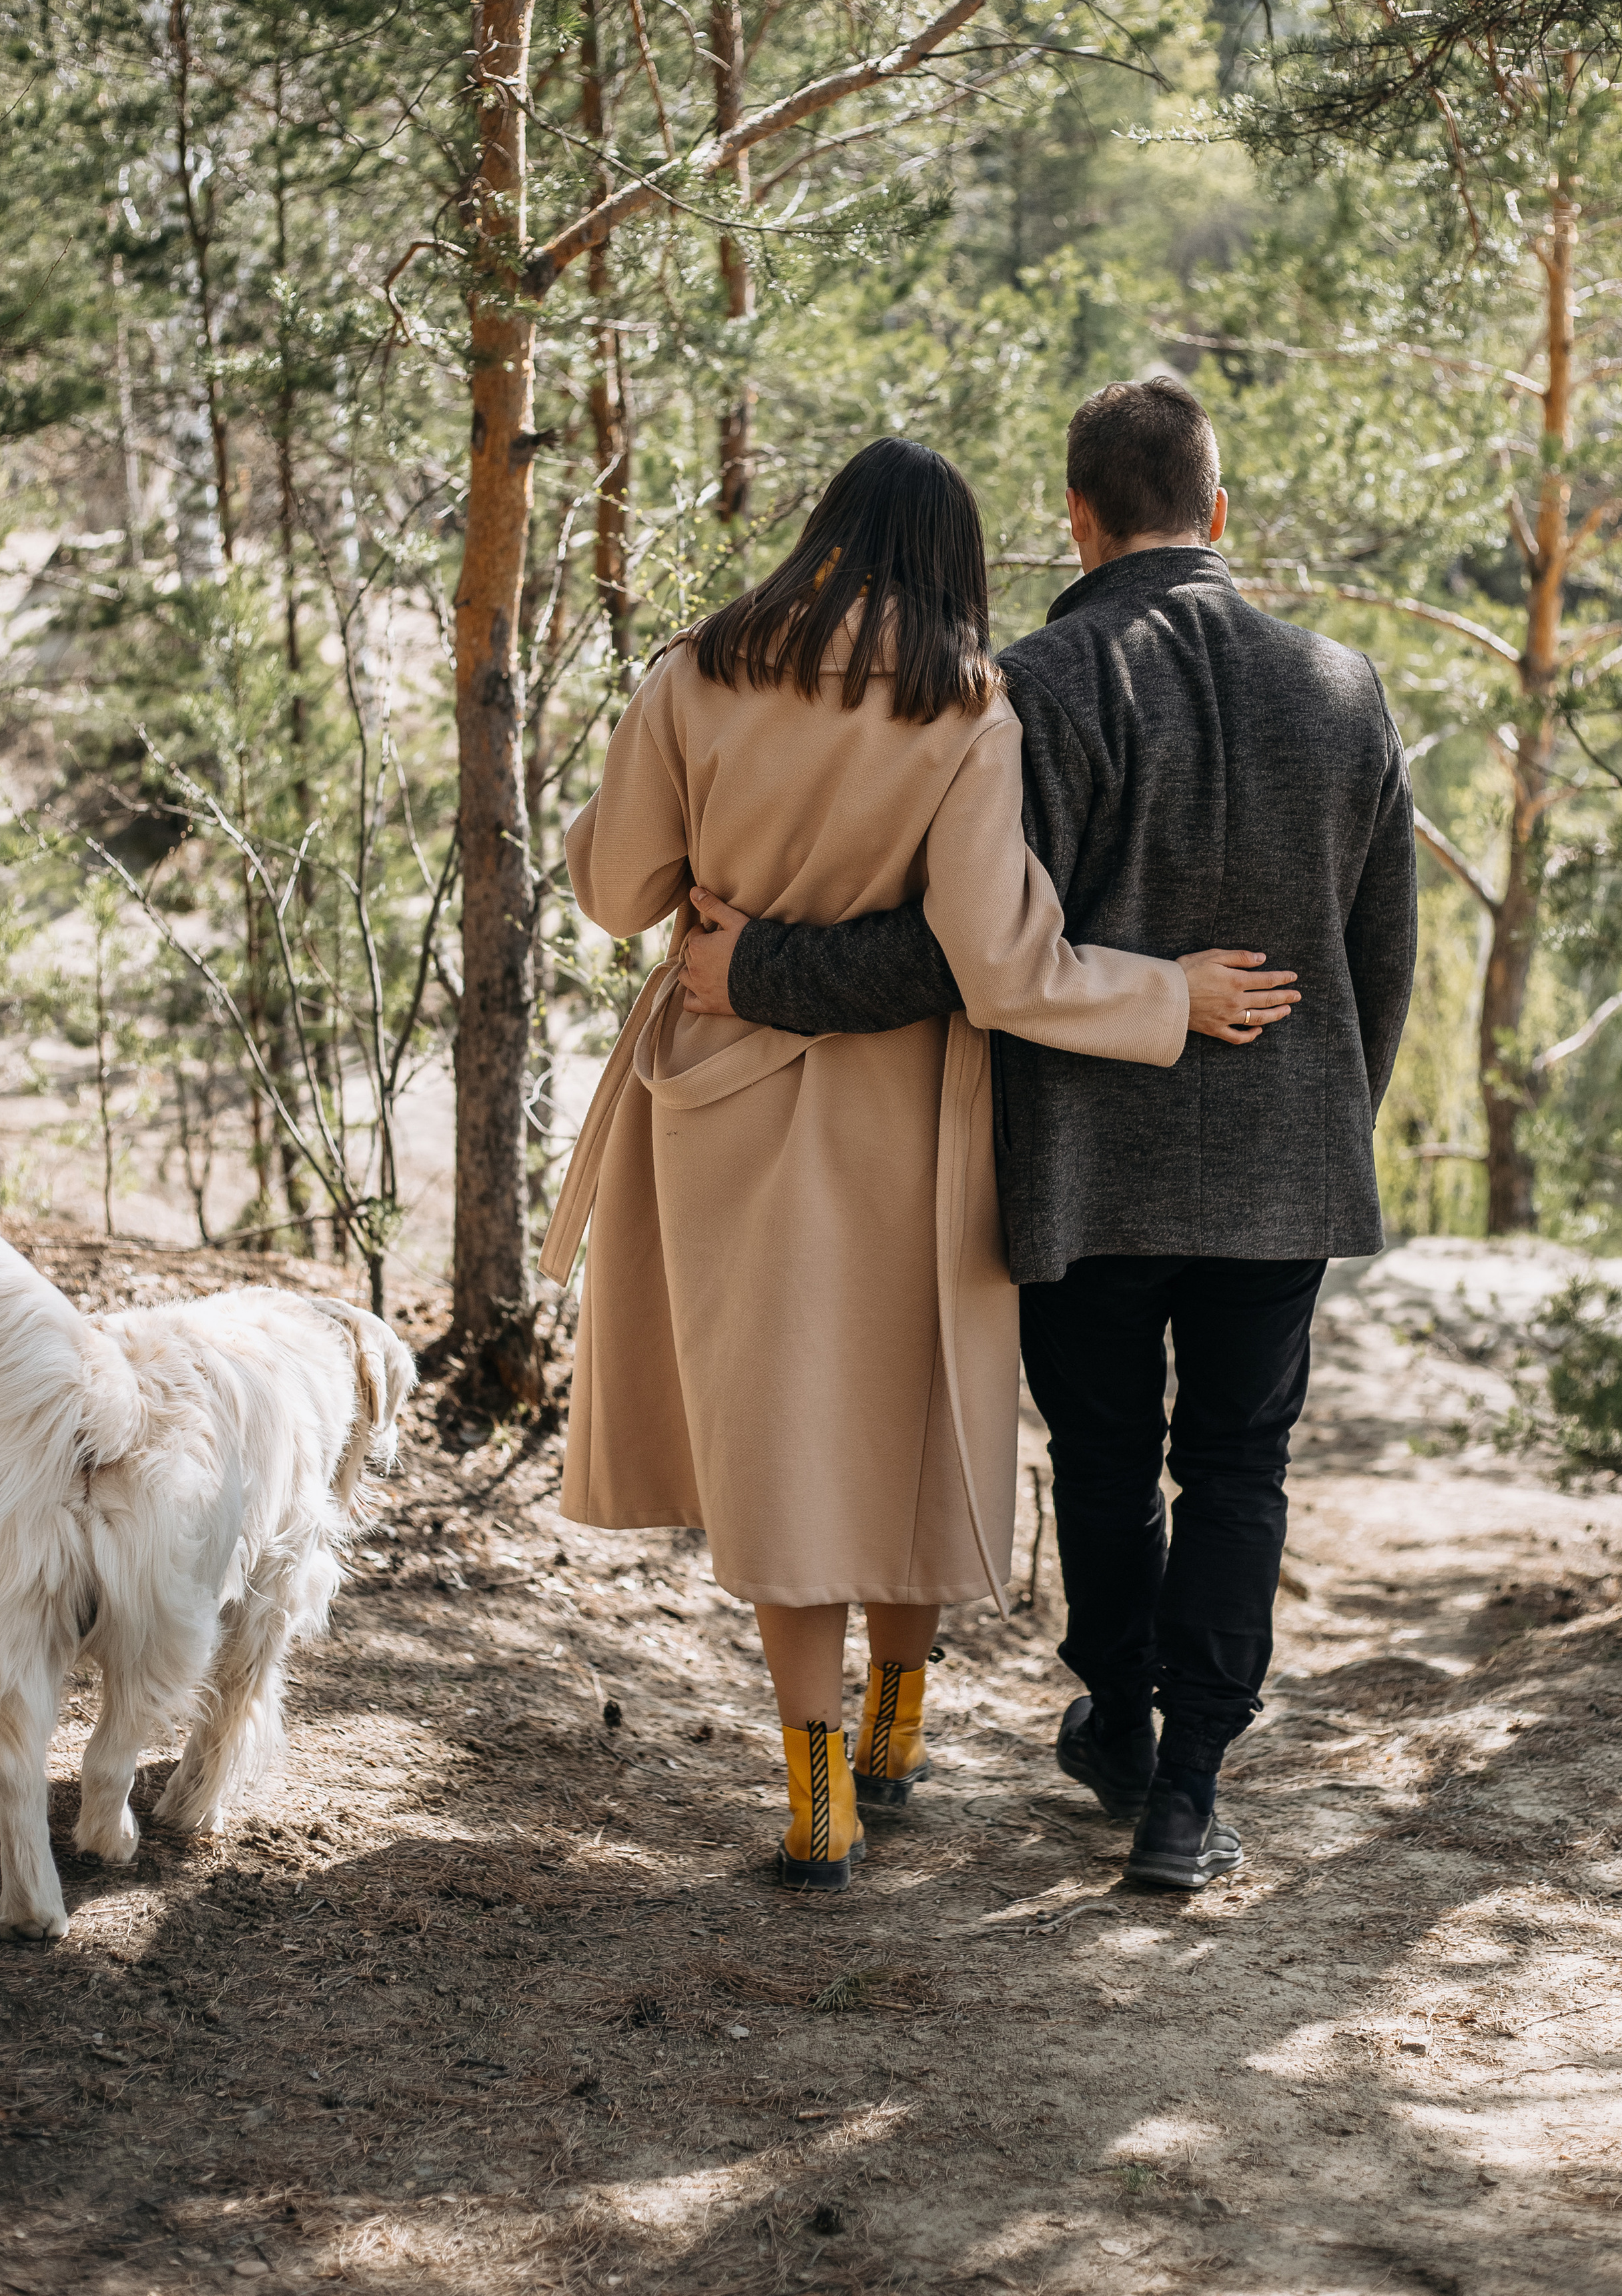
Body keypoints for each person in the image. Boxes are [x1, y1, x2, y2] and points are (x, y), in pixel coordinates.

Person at [682, 380, 1418, 1892]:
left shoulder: (1036, 685)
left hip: (1085, 1166)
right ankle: (1185, 1795)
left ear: (1073, 522)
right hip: (1283, 1165)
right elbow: (1381, 955)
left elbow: (953, 952)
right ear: (1218, 512)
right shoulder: (1343, 688)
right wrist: (1329, 1120)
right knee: (1236, 1471)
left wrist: (755, 971)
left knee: (1101, 1451)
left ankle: (1125, 1728)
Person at [541, 436, 1297, 1890]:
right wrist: (1168, 998)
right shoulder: (966, 706)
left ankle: (815, 1795)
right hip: (914, 1114)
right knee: (900, 1423)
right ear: (952, 562)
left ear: (820, 535)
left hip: (723, 1098)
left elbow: (610, 889)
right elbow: (1001, 967)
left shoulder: (694, 672)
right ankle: (895, 1732)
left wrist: (684, 849)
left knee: (781, 1440)